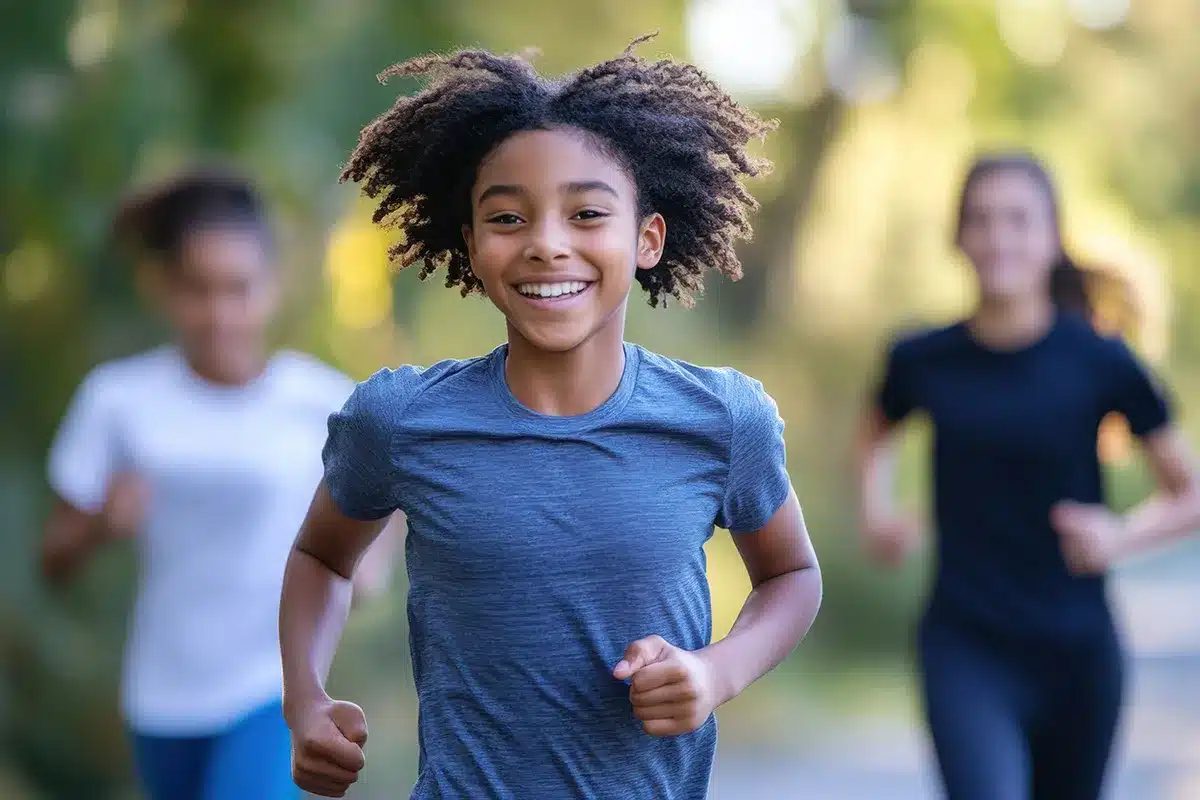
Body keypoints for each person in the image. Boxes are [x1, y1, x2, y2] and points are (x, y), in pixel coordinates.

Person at [279, 33, 823, 799]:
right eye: (507, 219)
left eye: (587, 214)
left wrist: (714, 671)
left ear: (646, 239)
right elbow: (322, 559)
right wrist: (305, 699)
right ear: (469, 245)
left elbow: (793, 575)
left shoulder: (720, 418)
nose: (546, 244)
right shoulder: (401, 421)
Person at [41, 166, 400, 800]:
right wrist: (102, 523)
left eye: (239, 288)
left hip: (276, 686)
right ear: (164, 288)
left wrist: (369, 561)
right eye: (198, 290)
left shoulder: (321, 400)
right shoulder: (119, 400)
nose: (220, 313)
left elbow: (395, 491)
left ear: (272, 285)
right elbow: (53, 558)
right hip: (162, 698)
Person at [859, 151, 1200, 800]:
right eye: (981, 220)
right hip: (966, 645)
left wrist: (1119, 537)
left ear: (1051, 237)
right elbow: (875, 429)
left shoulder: (1102, 361)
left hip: (1078, 657)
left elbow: (1191, 494)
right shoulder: (924, 359)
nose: (998, 238)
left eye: (1018, 220)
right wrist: (877, 511)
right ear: (958, 237)